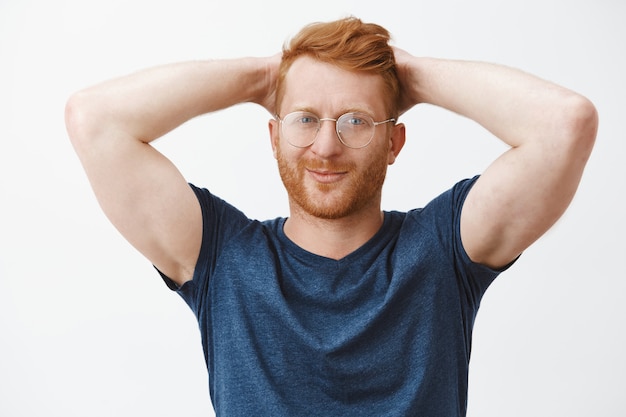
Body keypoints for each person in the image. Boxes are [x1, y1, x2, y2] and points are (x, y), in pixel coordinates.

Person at [65, 16, 597, 417]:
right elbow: (94, 121)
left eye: (355, 121)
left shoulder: (443, 251)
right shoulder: (222, 258)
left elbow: (566, 124)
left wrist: (406, 73)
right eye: (304, 119)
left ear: (394, 140)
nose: (326, 146)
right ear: (274, 137)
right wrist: (264, 77)